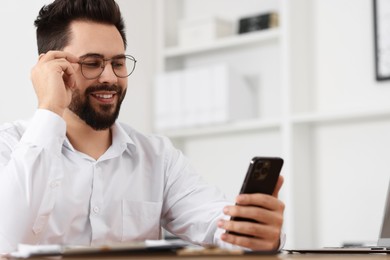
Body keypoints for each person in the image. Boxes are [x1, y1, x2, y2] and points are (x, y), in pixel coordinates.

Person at [0, 0, 285, 253]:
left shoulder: (158, 156)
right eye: (92, 63)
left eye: (118, 62)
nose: (110, 77)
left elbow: (216, 223)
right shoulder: (9, 146)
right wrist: (49, 106)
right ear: (51, 67)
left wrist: (255, 233)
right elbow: (6, 240)